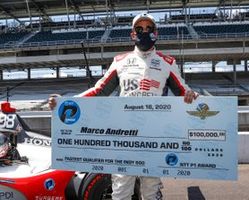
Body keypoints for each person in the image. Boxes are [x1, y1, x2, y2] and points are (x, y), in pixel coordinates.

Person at [49, 12, 199, 200]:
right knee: (120, 192)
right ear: (132, 34)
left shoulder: (167, 63)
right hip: (123, 136)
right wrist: (65, 103)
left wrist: (193, 96)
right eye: (139, 28)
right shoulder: (120, 61)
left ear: (156, 33)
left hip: (154, 135)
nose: (144, 31)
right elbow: (99, 90)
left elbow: (184, 93)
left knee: (151, 192)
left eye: (149, 28)